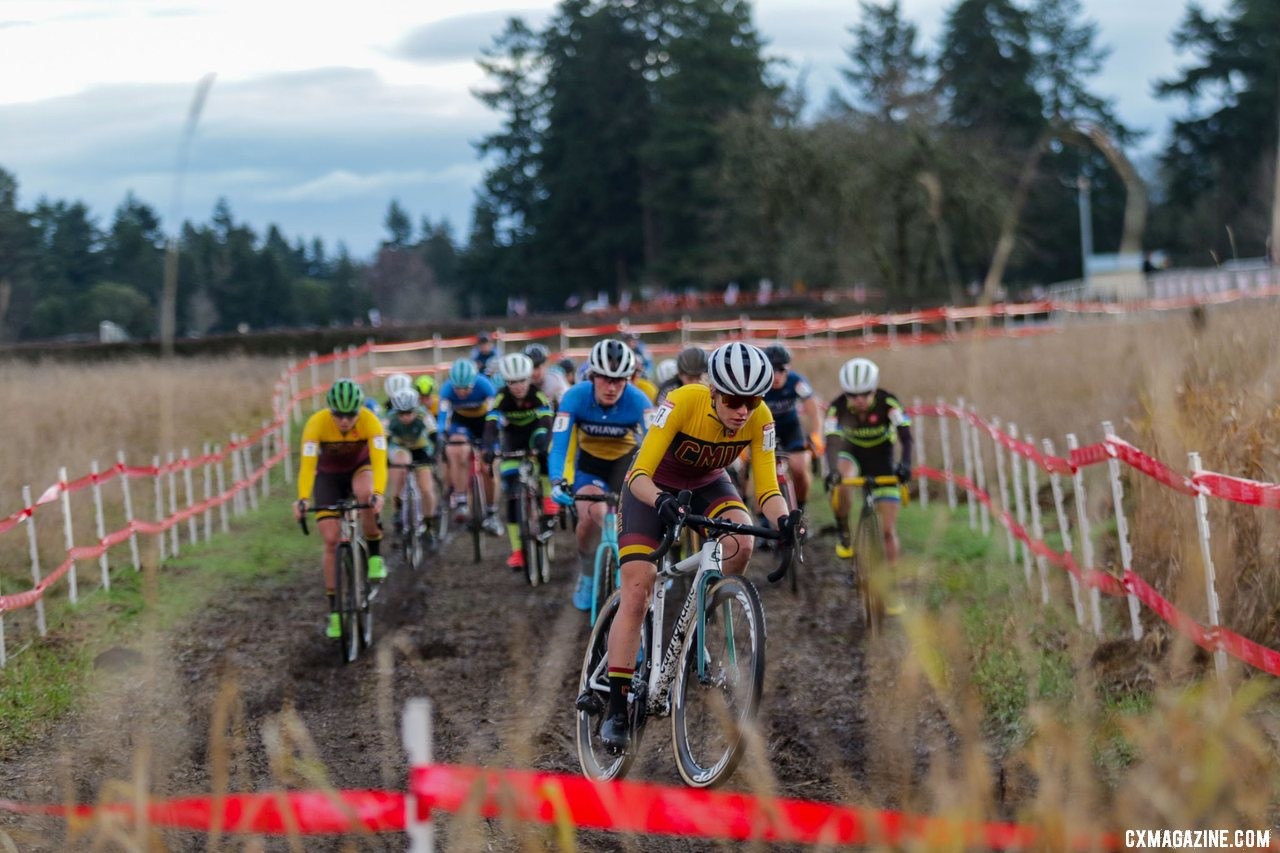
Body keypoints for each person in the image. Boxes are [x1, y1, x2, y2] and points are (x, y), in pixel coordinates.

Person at [597, 341, 803, 750]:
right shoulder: (682, 400)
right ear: (713, 391)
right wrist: (660, 501)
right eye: (733, 400)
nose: (743, 410)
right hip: (652, 486)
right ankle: (616, 704)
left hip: (708, 482)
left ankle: (706, 614)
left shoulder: (759, 418)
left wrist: (783, 520)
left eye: (752, 400)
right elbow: (639, 472)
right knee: (639, 587)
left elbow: (766, 487)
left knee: (742, 539)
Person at [548, 339, 651, 610]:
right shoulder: (574, 397)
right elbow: (558, 445)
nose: (612, 387)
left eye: (620, 380)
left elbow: (656, 446)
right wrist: (557, 479)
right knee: (590, 516)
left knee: (638, 524)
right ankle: (587, 574)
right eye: (605, 379)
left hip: (625, 465)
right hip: (590, 467)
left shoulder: (639, 400)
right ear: (592, 376)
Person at [293, 379, 388, 640]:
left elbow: (380, 463)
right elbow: (307, 466)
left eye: (350, 415)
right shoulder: (316, 423)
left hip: (360, 469)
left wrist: (379, 494)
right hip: (328, 477)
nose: (344, 421)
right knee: (331, 541)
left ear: (359, 410)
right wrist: (302, 498)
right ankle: (335, 613)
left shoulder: (371, 421)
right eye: (338, 415)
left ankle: (374, 556)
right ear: (330, 411)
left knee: (365, 495)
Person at [823, 357, 913, 613]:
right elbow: (831, 441)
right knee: (841, 478)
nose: (859, 400)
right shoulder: (837, 408)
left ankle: (892, 585)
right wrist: (831, 471)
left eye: (865, 394)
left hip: (882, 461)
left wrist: (905, 465)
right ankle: (844, 531)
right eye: (853, 395)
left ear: (874, 390)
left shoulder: (889, 403)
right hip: (851, 454)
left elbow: (907, 438)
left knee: (886, 531)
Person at [484, 353, 556, 571]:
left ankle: (548, 499)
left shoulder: (538, 395)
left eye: (522, 380)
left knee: (544, 448)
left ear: (529, 379)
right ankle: (517, 551)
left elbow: (547, 420)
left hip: (536, 434)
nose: (517, 386)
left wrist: (544, 442)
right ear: (506, 382)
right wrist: (488, 447)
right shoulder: (501, 397)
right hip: (512, 441)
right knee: (513, 498)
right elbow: (491, 423)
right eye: (512, 382)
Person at [439, 358, 502, 534]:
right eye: (457, 388)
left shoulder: (485, 385)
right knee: (455, 448)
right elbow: (443, 417)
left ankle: (492, 512)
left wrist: (489, 441)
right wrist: (441, 434)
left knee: (488, 467)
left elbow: (494, 414)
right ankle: (460, 499)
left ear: (473, 383)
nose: (461, 392)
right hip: (462, 423)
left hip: (485, 423)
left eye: (466, 388)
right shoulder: (446, 389)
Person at [762, 344, 822, 517]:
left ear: (788, 369)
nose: (777, 375)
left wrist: (816, 435)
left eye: (781, 370)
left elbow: (813, 410)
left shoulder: (796, 382)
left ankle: (801, 508)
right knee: (760, 473)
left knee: (799, 467)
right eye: (772, 370)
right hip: (765, 430)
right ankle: (761, 516)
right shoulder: (759, 384)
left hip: (791, 429)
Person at [384, 386, 441, 545]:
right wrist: (385, 461)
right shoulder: (390, 418)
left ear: (415, 409)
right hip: (401, 449)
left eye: (409, 412)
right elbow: (384, 442)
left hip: (421, 450)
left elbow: (436, 437)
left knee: (427, 489)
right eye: (401, 413)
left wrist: (434, 456)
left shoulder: (424, 415)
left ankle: (429, 526)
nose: (406, 417)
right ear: (396, 412)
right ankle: (397, 512)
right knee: (399, 469)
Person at [526, 343, 569, 408]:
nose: (534, 372)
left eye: (537, 367)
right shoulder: (521, 381)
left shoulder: (556, 379)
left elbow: (568, 402)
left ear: (546, 364)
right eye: (530, 367)